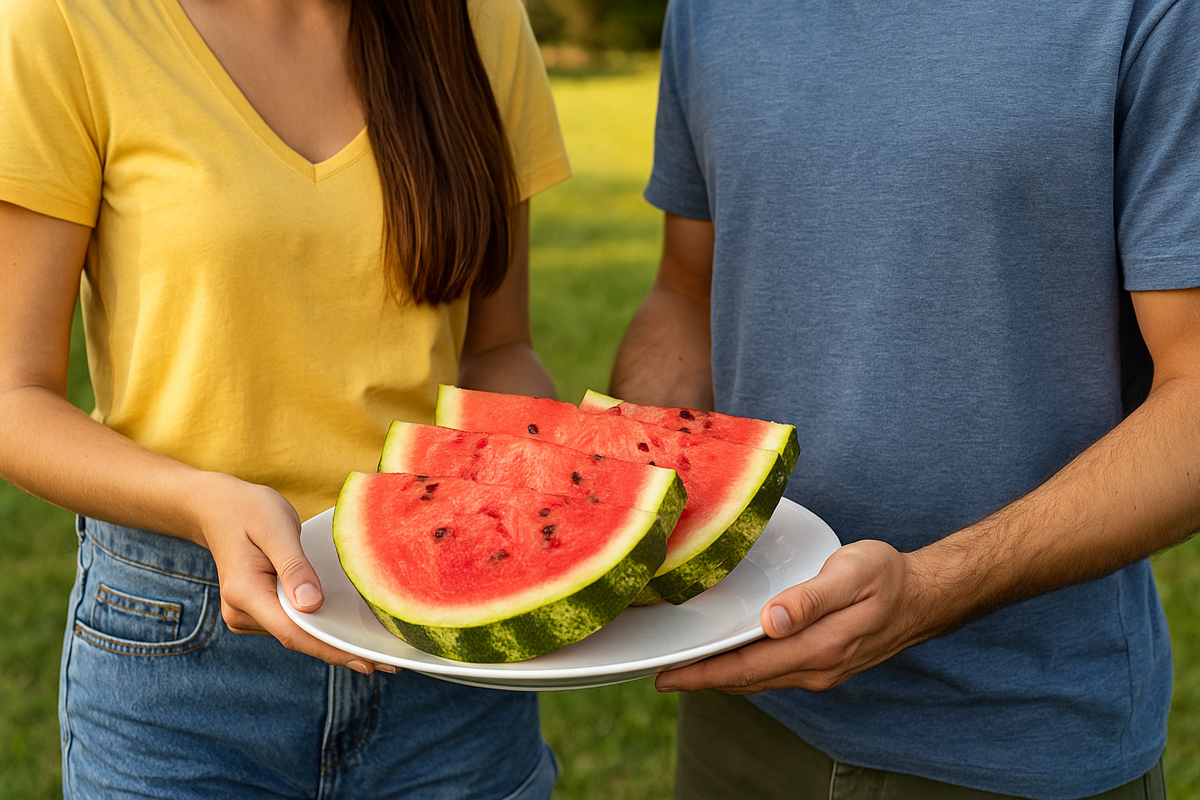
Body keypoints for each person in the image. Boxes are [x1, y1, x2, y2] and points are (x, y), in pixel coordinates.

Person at [609, 0, 1200, 797]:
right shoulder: (708, 10)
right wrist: (621, 501)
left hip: (1024, 736)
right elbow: (683, 292)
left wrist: (930, 590)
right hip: (741, 710)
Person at [0, 0, 570, 797]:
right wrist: (200, 501)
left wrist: (550, 503)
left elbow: (498, 347)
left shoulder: (477, 18)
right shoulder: (66, 21)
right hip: (182, 660)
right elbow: (14, 397)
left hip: (455, 661)